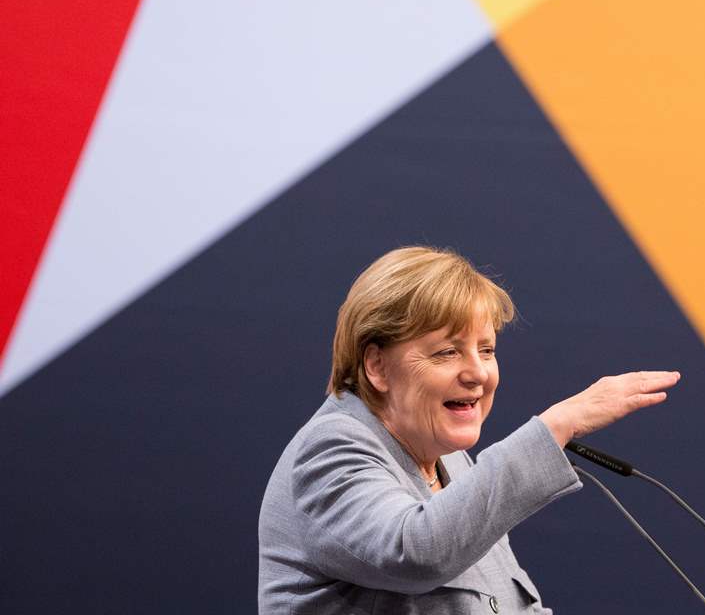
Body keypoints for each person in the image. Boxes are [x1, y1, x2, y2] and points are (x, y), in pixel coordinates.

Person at [258, 246, 679, 614]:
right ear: (377, 367)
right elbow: (414, 552)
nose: (478, 373)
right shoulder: (330, 449)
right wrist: (554, 428)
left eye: (487, 349)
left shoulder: (450, 462)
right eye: (447, 352)